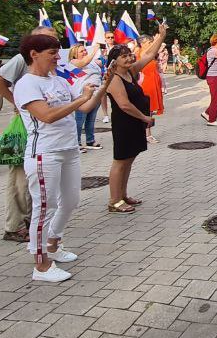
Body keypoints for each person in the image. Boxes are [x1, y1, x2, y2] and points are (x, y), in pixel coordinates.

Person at [14, 33, 110, 282]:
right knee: (45, 207)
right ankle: (41, 265)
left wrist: (103, 86)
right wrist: (81, 98)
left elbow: (85, 107)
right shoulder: (27, 84)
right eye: (52, 53)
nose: (58, 57)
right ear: (34, 54)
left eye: (58, 52)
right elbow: (46, 116)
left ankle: (54, 243)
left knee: (70, 200)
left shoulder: (57, 80)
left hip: (69, 149)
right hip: (45, 153)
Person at [0, 25, 62, 243]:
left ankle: (30, 218)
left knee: (33, 175)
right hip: (26, 123)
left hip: (44, 125)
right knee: (20, 175)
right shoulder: (22, 59)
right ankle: (15, 225)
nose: (54, 46)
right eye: (48, 40)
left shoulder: (52, 60)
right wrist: (17, 102)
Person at [105, 22, 167, 214]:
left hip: (134, 122)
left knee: (129, 160)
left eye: (129, 54)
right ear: (114, 61)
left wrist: (161, 36)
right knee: (120, 161)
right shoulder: (114, 78)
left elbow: (149, 55)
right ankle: (114, 201)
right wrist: (144, 118)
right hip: (124, 123)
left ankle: (123, 195)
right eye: (124, 56)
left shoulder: (130, 71)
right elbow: (124, 104)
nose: (129, 57)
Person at [68, 45, 103, 150]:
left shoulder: (92, 62)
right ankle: (77, 143)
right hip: (82, 95)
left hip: (96, 94)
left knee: (91, 119)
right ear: (74, 54)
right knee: (79, 120)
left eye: (85, 50)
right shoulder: (74, 62)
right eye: (81, 51)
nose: (85, 52)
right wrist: (95, 50)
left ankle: (90, 140)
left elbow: (101, 63)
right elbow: (84, 62)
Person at [136, 34, 165, 141]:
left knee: (150, 110)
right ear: (142, 44)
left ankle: (145, 133)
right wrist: (157, 40)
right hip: (146, 84)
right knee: (147, 109)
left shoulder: (149, 53)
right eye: (149, 42)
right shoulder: (142, 52)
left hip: (153, 83)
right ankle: (147, 135)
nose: (151, 44)